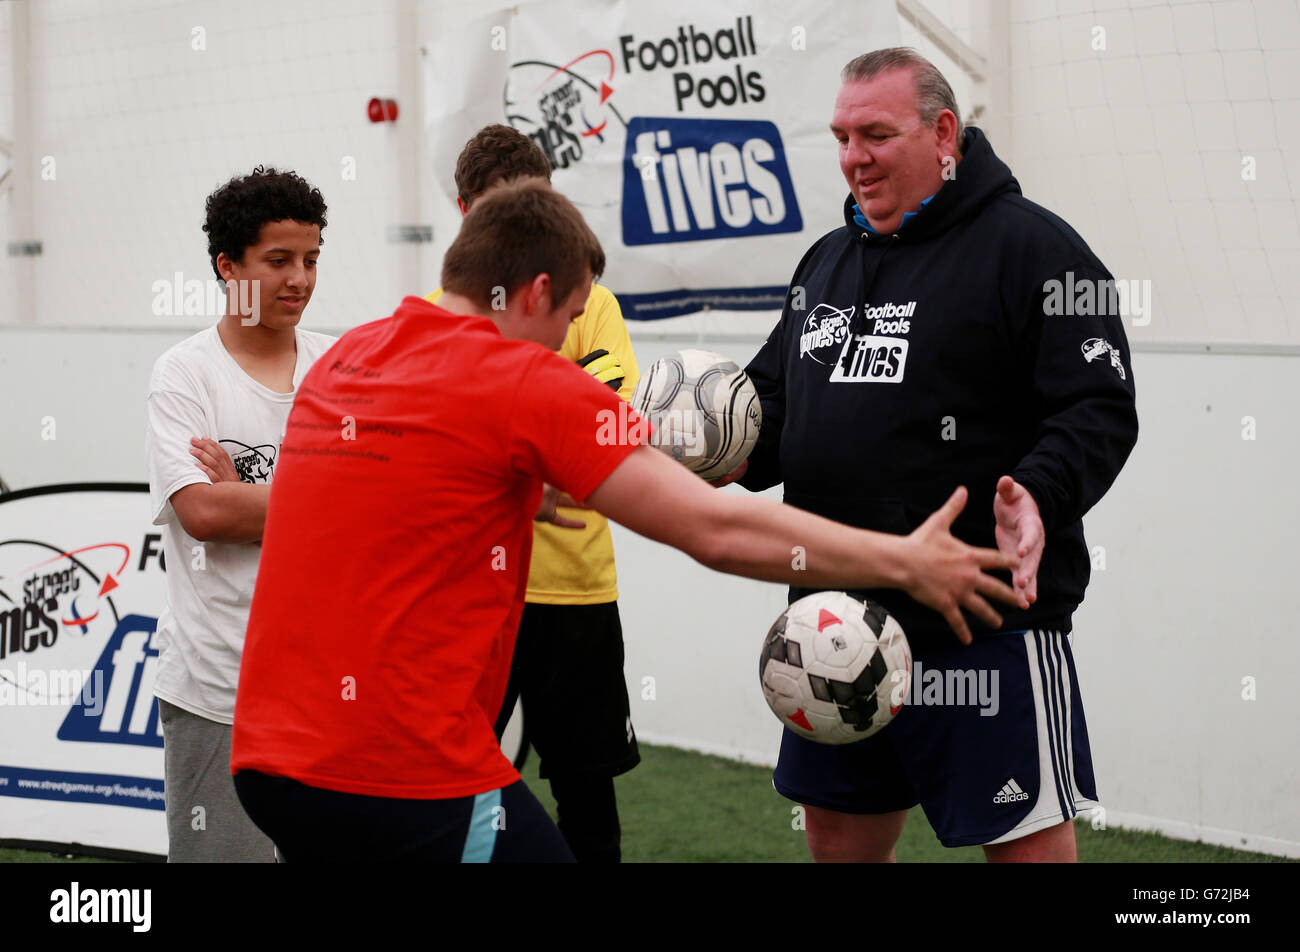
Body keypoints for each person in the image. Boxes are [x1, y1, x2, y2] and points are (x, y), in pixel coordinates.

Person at [229, 177, 1027, 863]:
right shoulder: (526, 382)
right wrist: (902, 560)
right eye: (573, 314)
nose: (571, 336)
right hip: (402, 775)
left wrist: (520, 495)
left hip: (270, 765)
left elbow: (406, 484)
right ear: (537, 293)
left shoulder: (349, 355)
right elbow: (716, 531)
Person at [726, 48, 1139, 862]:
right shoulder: (826, 262)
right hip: (832, 628)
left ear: (943, 132)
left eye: (876, 134)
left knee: (1022, 848)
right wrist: (720, 445)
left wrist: (1041, 491)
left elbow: (1098, 404)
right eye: (842, 136)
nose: (854, 157)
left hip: (981, 625)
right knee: (839, 843)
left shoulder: (1033, 249)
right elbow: (774, 408)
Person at [427, 124, 642, 863]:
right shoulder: (433, 313)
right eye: (498, 213)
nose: (519, 234)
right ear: (465, 213)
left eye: (535, 209)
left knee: (588, 789)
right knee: (454, 783)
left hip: (574, 589)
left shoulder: (591, 301)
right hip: (472, 595)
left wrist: (498, 437)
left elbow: (602, 423)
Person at [145, 166, 334, 861]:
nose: (301, 279)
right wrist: (326, 496)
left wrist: (250, 499)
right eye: (278, 260)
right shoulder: (185, 374)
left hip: (326, 695)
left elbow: (374, 510)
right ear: (228, 265)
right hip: (220, 693)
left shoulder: (339, 369)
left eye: (311, 259)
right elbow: (203, 511)